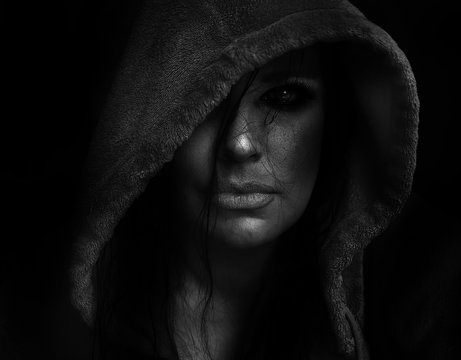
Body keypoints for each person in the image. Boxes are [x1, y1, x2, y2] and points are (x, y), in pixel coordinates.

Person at [70, 0, 421, 359]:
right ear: (150, 123)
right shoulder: (47, 332)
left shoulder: (396, 329)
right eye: (205, 102)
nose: (239, 143)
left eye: (283, 96)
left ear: (336, 123)